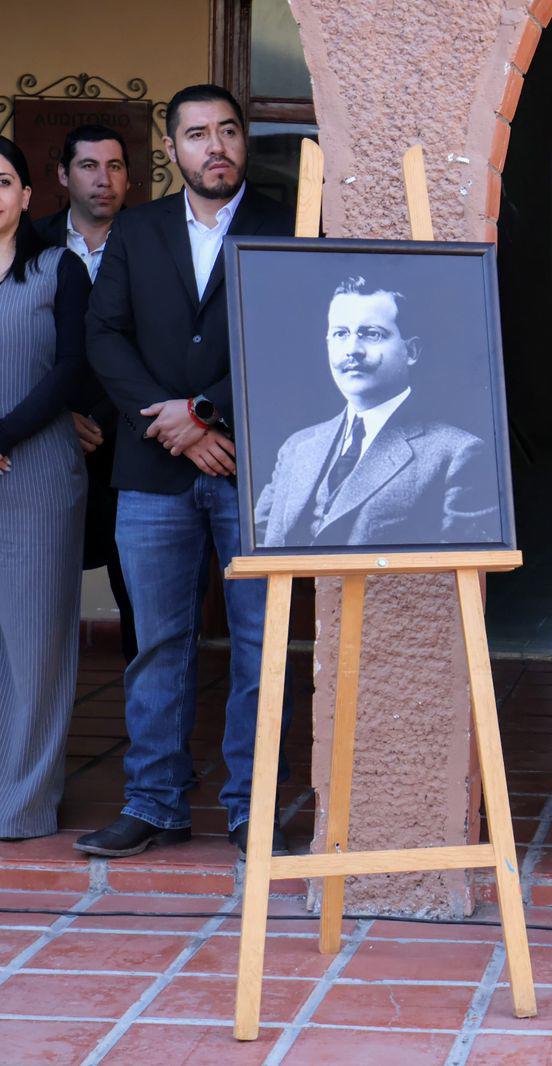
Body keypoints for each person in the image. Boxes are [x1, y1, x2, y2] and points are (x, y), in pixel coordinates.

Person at [78, 85, 292, 859]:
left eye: (229, 131)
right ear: (172, 151)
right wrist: (173, 424)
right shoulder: (136, 230)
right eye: (198, 134)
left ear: (245, 141)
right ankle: (155, 802)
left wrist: (205, 410)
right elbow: (104, 337)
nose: (217, 146)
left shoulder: (284, 226)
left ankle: (252, 807)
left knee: (260, 643)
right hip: (152, 469)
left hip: (252, 466)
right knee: (158, 644)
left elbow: (294, 340)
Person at [253, 275, 499, 548]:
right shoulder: (297, 447)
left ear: (411, 351)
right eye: (340, 334)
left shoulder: (457, 454)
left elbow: (449, 576)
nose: (352, 350)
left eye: (372, 334)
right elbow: (257, 547)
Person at [0, 135, 92, 840]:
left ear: (28, 196)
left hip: (37, 473)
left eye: (3, 182)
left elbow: (70, 372)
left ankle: (22, 805)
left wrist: (2, 436)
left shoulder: (59, 269)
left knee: (35, 643)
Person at [36, 123, 137, 663]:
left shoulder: (151, 241)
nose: (104, 180)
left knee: (141, 609)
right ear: (62, 175)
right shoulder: (30, 243)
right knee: (35, 604)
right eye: (89, 166)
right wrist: (55, 415)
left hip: (134, 447)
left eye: (115, 167)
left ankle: (147, 743)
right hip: (47, 441)